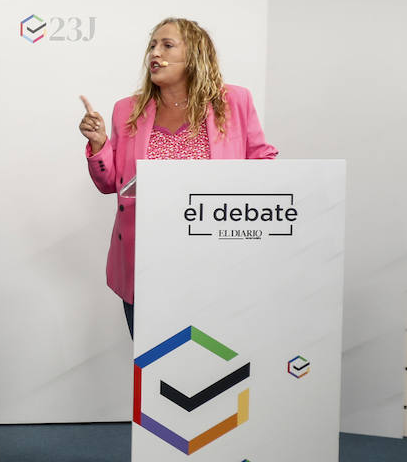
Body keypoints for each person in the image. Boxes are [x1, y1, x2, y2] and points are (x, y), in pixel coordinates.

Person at [80, 17, 277, 337]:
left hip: (216, 262)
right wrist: (100, 143)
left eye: (167, 45)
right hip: (145, 265)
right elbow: (110, 184)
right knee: (155, 372)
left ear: (195, 55)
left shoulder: (234, 102)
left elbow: (262, 159)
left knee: (217, 366)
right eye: (152, 46)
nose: (155, 53)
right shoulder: (126, 110)